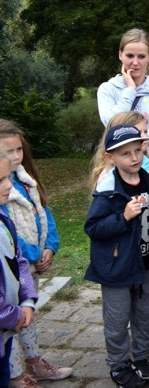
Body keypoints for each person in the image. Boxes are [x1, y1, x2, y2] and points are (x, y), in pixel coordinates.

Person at [97, 28, 149, 333]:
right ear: (120, 55)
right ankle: (131, 297)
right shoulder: (108, 89)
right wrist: (129, 91)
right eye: (129, 55)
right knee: (129, 235)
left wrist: (140, 137)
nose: (135, 62)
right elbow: (112, 128)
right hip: (121, 175)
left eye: (141, 56)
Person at [85, 125, 149, 388]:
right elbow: (93, 228)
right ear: (111, 158)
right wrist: (123, 217)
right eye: (125, 153)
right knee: (117, 320)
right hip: (117, 268)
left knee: (144, 316)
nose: (134, 158)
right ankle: (118, 365)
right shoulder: (107, 191)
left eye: (137, 151)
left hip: (147, 263)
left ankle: (140, 358)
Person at [0, 120, 72, 387]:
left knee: (29, 317)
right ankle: (16, 375)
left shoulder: (26, 181)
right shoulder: (3, 188)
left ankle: (34, 361)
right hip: (11, 271)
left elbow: (45, 215)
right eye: (9, 151)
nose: (16, 156)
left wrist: (50, 247)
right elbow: (10, 234)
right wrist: (32, 254)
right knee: (10, 325)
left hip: (30, 269)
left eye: (19, 149)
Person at [0, 149, 37, 387]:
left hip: (6, 329)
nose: (7, 185)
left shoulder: (4, 219)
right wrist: (11, 316)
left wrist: (26, 301)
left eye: (6, 177)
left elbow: (18, 260)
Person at [93, 112, 149, 186]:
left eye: (145, 131)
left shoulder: (146, 163)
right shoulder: (108, 178)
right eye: (138, 132)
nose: (144, 137)